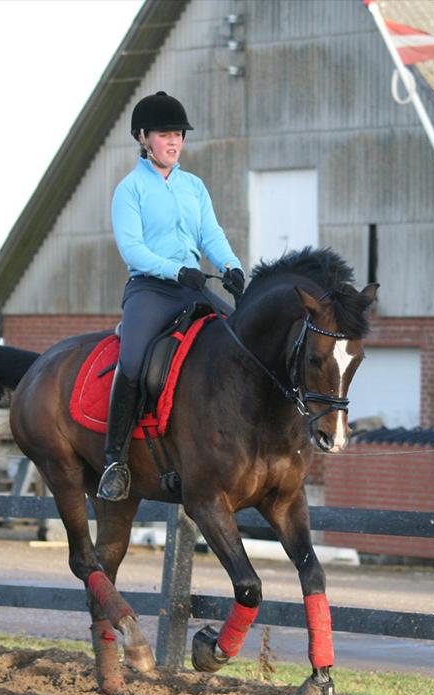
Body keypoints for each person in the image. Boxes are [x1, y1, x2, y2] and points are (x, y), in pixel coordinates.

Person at [98, 91, 246, 502]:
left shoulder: (194, 186)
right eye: (165, 134)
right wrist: (175, 269)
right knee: (132, 363)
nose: (174, 142)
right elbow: (133, 250)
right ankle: (115, 461)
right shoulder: (129, 190)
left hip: (193, 285)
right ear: (143, 138)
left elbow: (210, 235)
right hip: (151, 289)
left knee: (238, 343)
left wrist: (231, 266)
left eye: (178, 134)